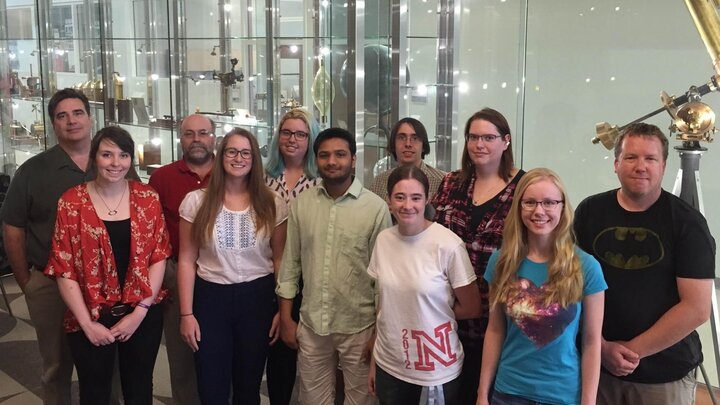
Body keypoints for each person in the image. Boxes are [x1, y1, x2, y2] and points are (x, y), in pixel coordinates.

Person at [573, 123, 715, 405]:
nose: (641, 166)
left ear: (663, 165)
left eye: (650, 159)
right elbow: (573, 287)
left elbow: (696, 308)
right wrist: (601, 347)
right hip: (596, 367)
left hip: (663, 374)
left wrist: (629, 352)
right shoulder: (590, 211)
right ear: (616, 164)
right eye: (631, 157)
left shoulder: (687, 224)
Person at [44, 126, 170, 404]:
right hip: (90, 313)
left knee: (139, 388)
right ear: (94, 157)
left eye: (123, 155)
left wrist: (139, 314)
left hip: (142, 311)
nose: (116, 163)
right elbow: (64, 269)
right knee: (94, 390)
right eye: (107, 154)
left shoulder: (147, 198)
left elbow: (158, 257)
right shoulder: (71, 202)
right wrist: (87, 324)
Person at [276, 127, 392, 405]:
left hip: (360, 325)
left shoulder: (375, 208)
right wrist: (286, 318)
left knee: (362, 400)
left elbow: (384, 279)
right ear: (316, 160)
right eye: (324, 155)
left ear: (353, 159)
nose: (332, 161)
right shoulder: (303, 204)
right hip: (313, 322)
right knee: (312, 400)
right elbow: (290, 265)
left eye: (340, 154)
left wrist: (379, 333)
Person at [177, 128, 288, 404]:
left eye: (245, 152)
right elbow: (187, 260)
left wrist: (280, 308)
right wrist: (186, 314)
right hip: (211, 299)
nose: (238, 158)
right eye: (232, 151)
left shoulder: (272, 203)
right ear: (221, 155)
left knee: (248, 385)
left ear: (254, 159)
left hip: (258, 299)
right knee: (211, 383)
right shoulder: (196, 202)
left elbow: (280, 260)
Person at [477, 168, 606, 405]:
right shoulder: (501, 262)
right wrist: (482, 394)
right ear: (519, 207)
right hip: (508, 392)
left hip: (562, 395)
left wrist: (589, 402)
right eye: (530, 202)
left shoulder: (586, 267)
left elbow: (591, 342)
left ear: (562, 207)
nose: (539, 211)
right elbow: (495, 330)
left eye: (549, 202)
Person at [1, 88, 93, 405]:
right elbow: (13, 228)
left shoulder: (111, 160)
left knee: (109, 364)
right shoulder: (33, 171)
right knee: (56, 367)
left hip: (105, 286)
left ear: (90, 117)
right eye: (62, 116)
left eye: (77, 113)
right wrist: (27, 282)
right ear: (53, 124)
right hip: (51, 284)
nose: (71, 121)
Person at [432, 107, 525, 404]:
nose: (479, 144)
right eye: (473, 137)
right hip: (450, 317)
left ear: (506, 141)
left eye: (489, 137)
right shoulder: (451, 183)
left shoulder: (524, 187)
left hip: (499, 320)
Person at [367, 165, 481, 404]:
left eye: (415, 197)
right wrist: (374, 362)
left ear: (427, 199)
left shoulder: (447, 245)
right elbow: (384, 304)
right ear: (389, 201)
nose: (407, 205)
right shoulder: (384, 240)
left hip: (433, 369)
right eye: (399, 197)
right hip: (390, 362)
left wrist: (429, 312)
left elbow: (472, 307)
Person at [148, 113, 216, 405]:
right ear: (180, 138)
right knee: (181, 353)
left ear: (214, 137)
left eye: (203, 133)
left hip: (221, 275)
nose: (197, 140)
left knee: (219, 352)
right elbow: (151, 232)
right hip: (176, 272)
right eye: (190, 134)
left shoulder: (232, 172)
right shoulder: (161, 178)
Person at [264, 108, 321, 404]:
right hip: (264, 274)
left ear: (311, 139)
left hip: (306, 279)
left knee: (307, 360)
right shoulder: (261, 176)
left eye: (301, 134)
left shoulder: (321, 180)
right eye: (286, 132)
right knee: (276, 357)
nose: (292, 139)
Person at [369, 117, 445, 202]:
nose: (408, 144)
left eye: (415, 138)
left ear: (423, 146)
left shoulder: (443, 182)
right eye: (402, 138)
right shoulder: (380, 183)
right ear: (394, 145)